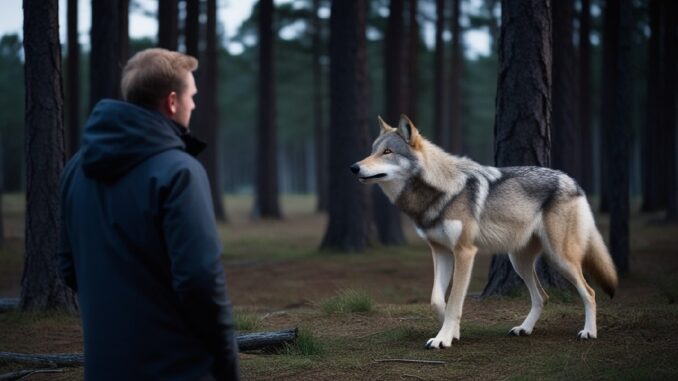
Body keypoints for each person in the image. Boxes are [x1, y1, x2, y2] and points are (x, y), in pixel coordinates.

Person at [58, 48, 240, 380]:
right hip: (177, 368)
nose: (194, 105)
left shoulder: (74, 169)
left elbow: (69, 267)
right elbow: (201, 282)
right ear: (172, 102)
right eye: (192, 96)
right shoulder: (180, 171)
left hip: (104, 366)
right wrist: (226, 363)